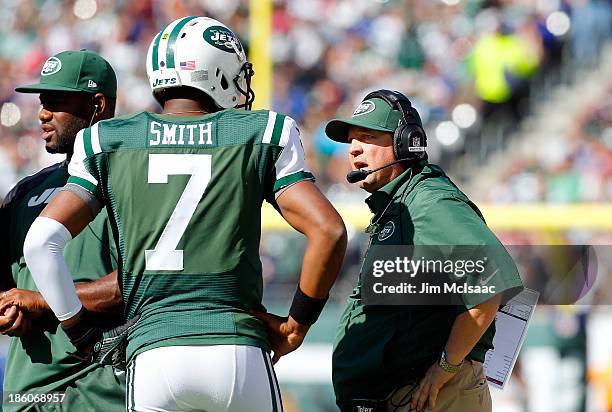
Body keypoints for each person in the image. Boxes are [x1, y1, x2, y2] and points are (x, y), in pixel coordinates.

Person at [23, 16, 347, 412]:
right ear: (217, 71)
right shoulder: (260, 131)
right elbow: (328, 230)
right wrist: (296, 326)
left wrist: (79, 329)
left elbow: (41, 242)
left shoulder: (107, 140)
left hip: (153, 354)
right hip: (235, 348)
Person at [325, 90, 523, 412]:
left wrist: (445, 367)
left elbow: (491, 280)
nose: (354, 149)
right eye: (351, 140)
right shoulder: (401, 203)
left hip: (435, 397)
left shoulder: (429, 201)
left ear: (405, 142)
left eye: (367, 137)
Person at [0, 50, 125, 411]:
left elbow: (143, 281)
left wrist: (43, 300)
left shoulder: (133, 184)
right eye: (42, 102)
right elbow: (9, 288)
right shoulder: (24, 191)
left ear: (97, 105)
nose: (42, 113)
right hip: (26, 393)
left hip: (100, 387)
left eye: (56, 102)